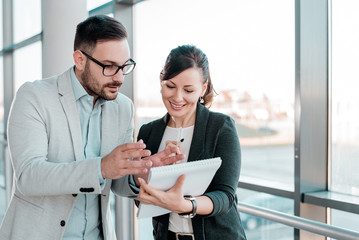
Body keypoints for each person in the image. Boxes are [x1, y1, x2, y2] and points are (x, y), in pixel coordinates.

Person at [0, 15, 183, 240]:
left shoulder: (123, 108)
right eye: (109, 67)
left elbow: (117, 185)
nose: (119, 78)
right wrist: (101, 167)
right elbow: (29, 177)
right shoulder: (34, 96)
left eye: (124, 66)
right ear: (80, 59)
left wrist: (141, 172)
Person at [134, 45, 247, 240]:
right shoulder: (149, 132)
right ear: (161, 82)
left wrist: (186, 206)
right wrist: (143, 176)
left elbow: (225, 196)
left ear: (203, 89)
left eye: (188, 90)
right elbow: (142, 198)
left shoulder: (221, 127)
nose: (177, 97)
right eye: (170, 86)